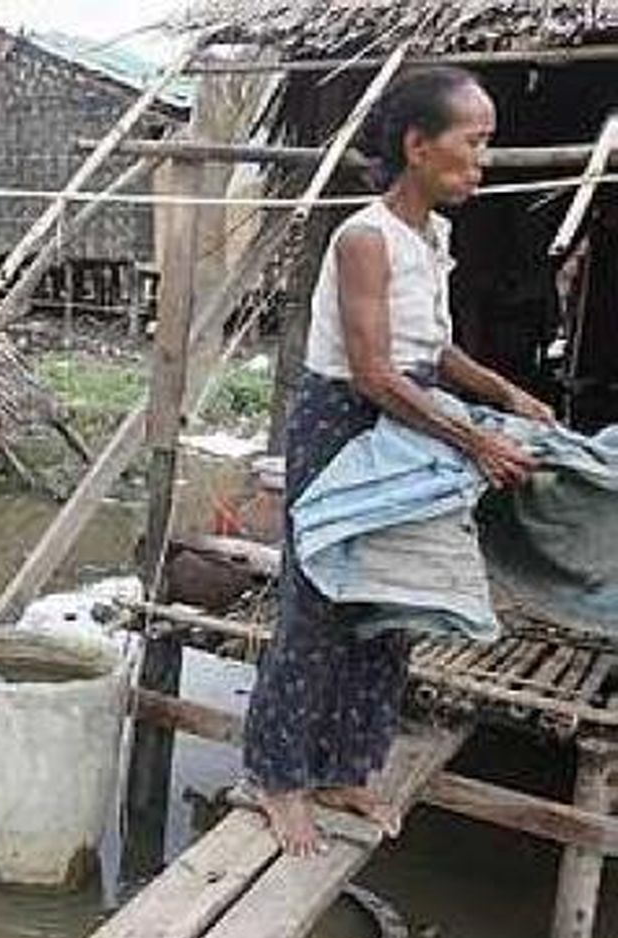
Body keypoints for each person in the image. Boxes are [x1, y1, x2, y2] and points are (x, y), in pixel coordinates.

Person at [243, 67, 556, 856]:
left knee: (388, 606)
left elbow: (431, 348)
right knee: (316, 608)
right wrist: (477, 439)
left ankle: (347, 768)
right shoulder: (364, 238)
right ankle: (277, 779)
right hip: (345, 419)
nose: (483, 161)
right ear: (418, 147)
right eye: (474, 143)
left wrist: (502, 391)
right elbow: (375, 371)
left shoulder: (432, 236)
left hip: (408, 413)